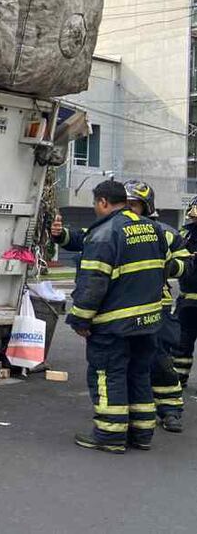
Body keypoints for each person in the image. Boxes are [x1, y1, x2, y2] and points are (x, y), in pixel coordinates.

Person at [62, 180, 166, 453]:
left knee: (108, 376)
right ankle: (142, 434)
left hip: (114, 324)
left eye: (95, 203)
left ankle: (110, 436)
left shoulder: (106, 233)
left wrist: (80, 319)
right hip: (149, 321)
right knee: (139, 374)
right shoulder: (153, 229)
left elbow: (93, 282)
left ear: (103, 202)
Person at [121, 180, 188, 432]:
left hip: (156, 306)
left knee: (160, 360)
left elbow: (185, 264)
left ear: (146, 206)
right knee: (126, 361)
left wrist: (169, 267)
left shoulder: (165, 232)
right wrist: (61, 235)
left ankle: (170, 410)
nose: (129, 209)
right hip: (124, 307)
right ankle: (129, 410)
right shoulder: (115, 230)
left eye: (134, 204)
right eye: (125, 204)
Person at [174, 196, 197, 387]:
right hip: (188, 301)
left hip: (188, 302)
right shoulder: (185, 235)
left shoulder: (185, 234)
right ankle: (178, 377)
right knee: (182, 343)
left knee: (182, 342)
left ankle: (179, 378)